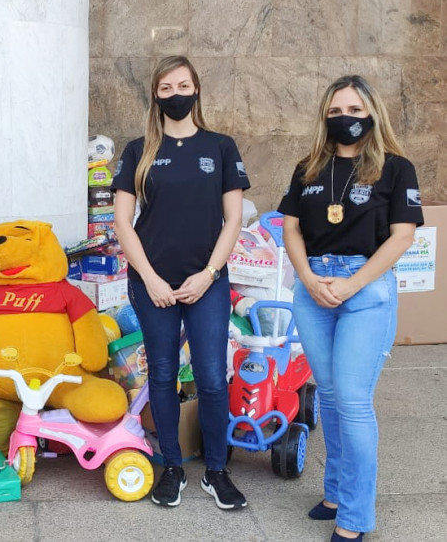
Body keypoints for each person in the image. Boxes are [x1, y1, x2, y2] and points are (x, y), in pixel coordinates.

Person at [278, 76, 422, 542]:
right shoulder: (308, 168)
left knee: (355, 402)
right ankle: (336, 493)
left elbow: (402, 236)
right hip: (314, 287)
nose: (347, 118)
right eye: (338, 110)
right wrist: (308, 278)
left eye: (357, 111)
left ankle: (355, 518)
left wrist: (350, 284)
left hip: (365, 290)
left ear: (372, 114)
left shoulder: (396, 169)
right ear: (325, 116)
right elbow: (292, 228)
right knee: (331, 395)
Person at [112, 55, 249, 510]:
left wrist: (209, 273)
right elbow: (123, 223)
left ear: (197, 90)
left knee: (211, 377)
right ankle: (172, 466)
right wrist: (149, 278)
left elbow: (234, 220)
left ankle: (215, 470)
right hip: (153, 284)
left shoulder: (222, 146)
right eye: (166, 88)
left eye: (183, 85)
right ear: (156, 95)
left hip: (207, 280)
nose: (176, 94)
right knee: (165, 375)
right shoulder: (138, 151)